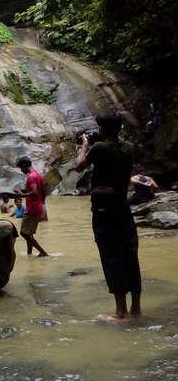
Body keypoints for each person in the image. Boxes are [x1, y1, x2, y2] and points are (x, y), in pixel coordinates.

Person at [75, 111, 143, 322]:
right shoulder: (129, 147)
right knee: (130, 254)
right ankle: (136, 309)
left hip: (105, 210)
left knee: (112, 255)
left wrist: (85, 145)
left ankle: (120, 313)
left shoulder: (100, 147)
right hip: (123, 206)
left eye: (98, 128)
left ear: (101, 129)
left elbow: (79, 166)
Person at [14, 157, 48, 257]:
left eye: (21, 168)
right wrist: (42, 202)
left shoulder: (31, 177)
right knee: (29, 234)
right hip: (38, 207)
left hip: (32, 208)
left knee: (23, 233)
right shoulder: (38, 175)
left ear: (24, 165)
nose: (21, 170)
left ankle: (43, 252)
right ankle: (29, 254)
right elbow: (43, 192)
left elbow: (34, 192)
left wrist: (22, 195)